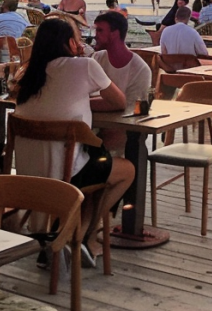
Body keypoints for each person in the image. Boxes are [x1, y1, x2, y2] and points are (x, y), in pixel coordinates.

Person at [14, 19, 133, 260]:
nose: (81, 42)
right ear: (70, 42)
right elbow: (119, 102)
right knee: (126, 170)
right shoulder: (85, 66)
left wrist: (78, 100)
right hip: (64, 175)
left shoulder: (28, 72)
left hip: (27, 174)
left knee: (95, 163)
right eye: (78, 38)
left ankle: (68, 232)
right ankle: (79, 234)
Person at [92, 11, 152, 115]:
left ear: (114, 34)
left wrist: (82, 103)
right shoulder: (96, 58)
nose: (95, 36)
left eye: (100, 31)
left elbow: (131, 110)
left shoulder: (140, 70)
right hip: (93, 123)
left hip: (122, 126)